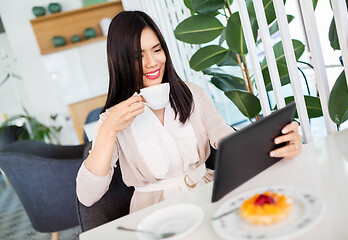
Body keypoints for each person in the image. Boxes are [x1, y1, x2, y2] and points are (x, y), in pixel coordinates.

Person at [76, 10, 302, 213]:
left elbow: (227, 140)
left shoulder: (191, 94)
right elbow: (87, 197)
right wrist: (109, 129)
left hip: (208, 195)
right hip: (156, 214)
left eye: (157, 50)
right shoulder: (112, 120)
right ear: (120, 61)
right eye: (138, 56)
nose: (153, 62)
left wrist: (277, 142)